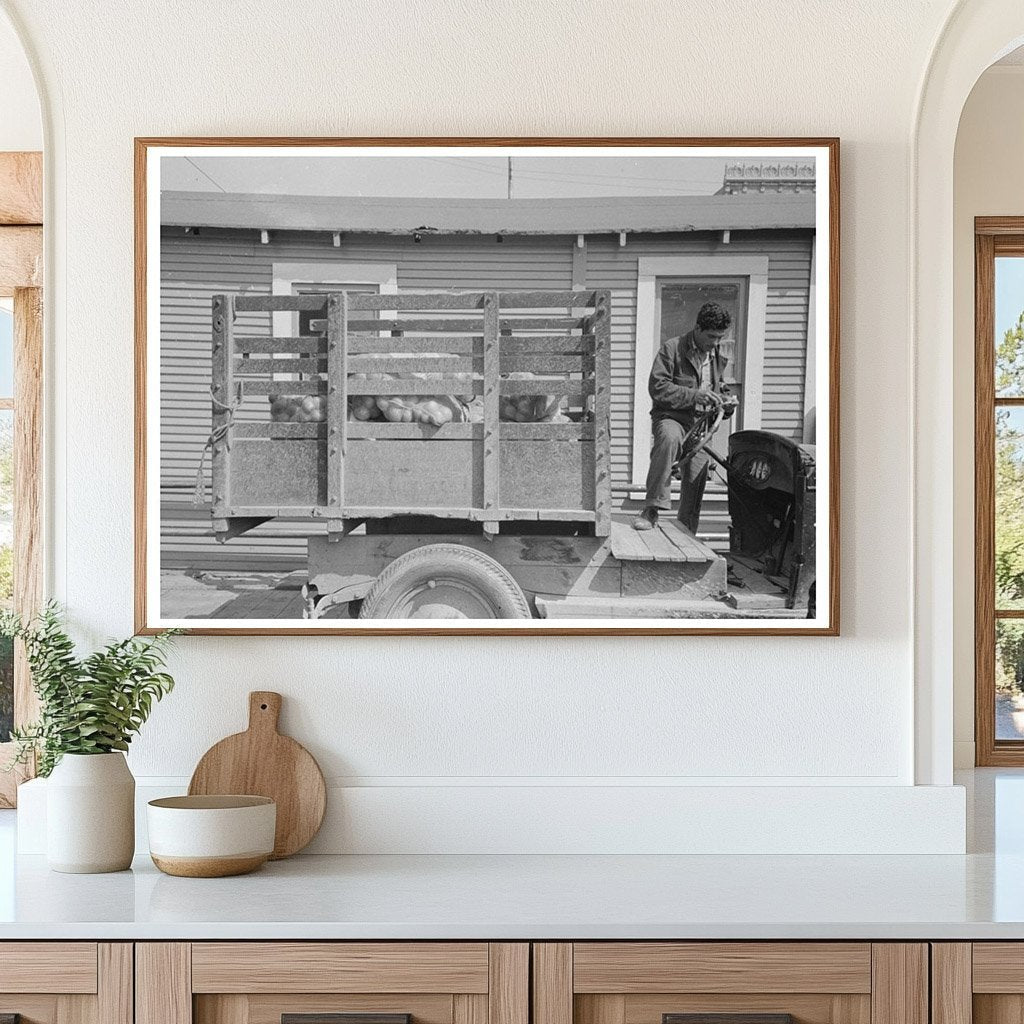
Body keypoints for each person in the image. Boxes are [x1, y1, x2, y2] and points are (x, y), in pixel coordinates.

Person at [633, 301, 738, 533]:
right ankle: (651, 510)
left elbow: (720, 388)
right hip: (672, 417)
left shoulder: (718, 355)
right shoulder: (672, 348)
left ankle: (687, 531)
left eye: (720, 337)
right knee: (669, 440)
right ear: (698, 328)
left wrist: (727, 404)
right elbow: (658, 388)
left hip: (703, 424)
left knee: (697, 477)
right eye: (712, 336)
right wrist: (695, 396)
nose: (716, 343)